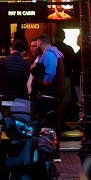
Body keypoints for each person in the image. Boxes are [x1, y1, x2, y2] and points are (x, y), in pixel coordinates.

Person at [34, 34, 65, 162]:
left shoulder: (49, 55)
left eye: (37, 45)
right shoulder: (56, 54)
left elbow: (50, 73)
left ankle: (51, 153)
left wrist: (43, 85)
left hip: (49, 95)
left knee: (49, 123)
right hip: (53, 94)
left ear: (40, 44)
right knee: (52, 123)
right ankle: (52, 152)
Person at [53, 29, 77, 131]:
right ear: (64, 37)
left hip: (52, 79)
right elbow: (75, 63)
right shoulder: (68, 49)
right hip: (66, 78)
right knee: (64, 102)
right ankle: (61, 122)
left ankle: (55, 122)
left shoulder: (51, 49)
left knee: (54, 101)